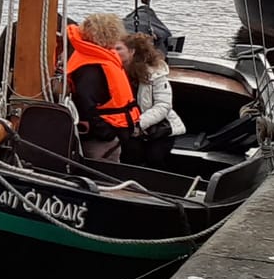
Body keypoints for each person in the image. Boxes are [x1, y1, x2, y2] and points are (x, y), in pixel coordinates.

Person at [64, 12, 138, 162]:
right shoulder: (90, 68)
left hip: (111, 133)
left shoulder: (94, 59)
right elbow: (86, 105)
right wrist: (106, 132)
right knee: (104, 174)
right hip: (100, 139)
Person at [124, 32, 184, 168]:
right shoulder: (116, 72)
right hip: (130, 127)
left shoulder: (155, 75)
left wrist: (139, 124)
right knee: (131, 154)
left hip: (158, 128)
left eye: (119, 49)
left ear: (132, 52)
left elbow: (163, 105)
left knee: (154, 157)